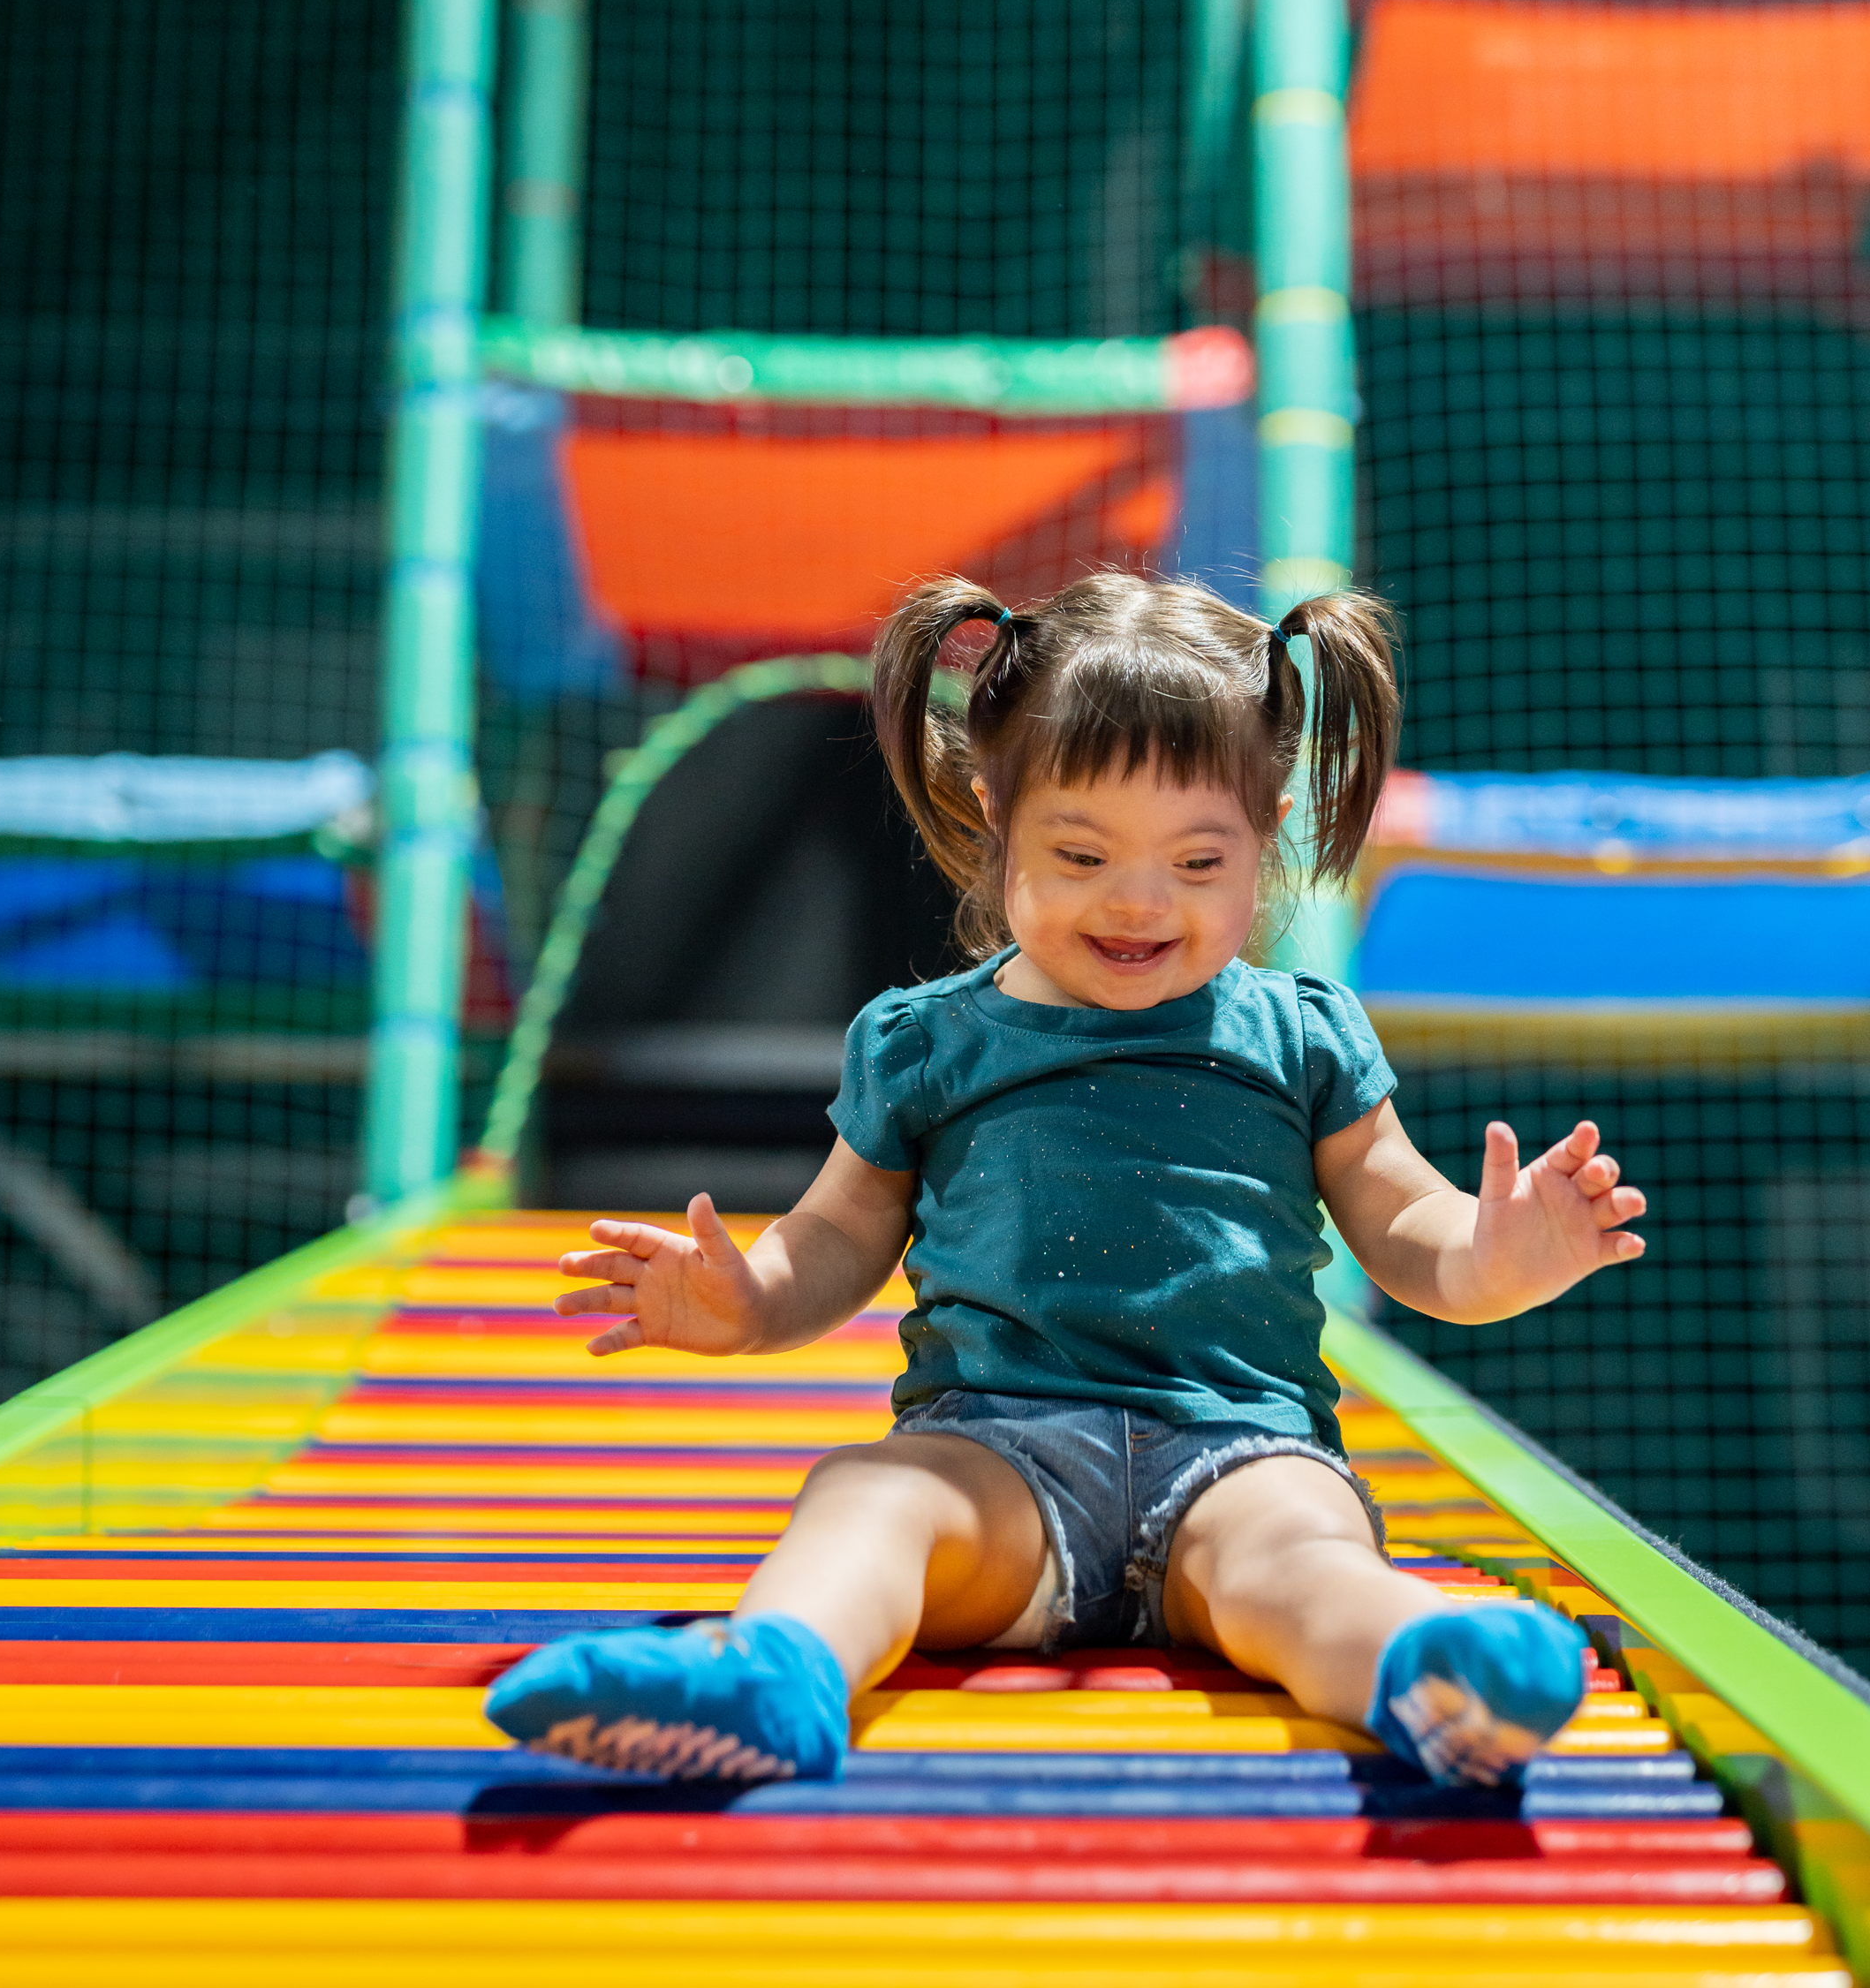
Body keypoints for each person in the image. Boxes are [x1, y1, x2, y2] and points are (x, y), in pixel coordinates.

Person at [488, 571, 1647, 1791]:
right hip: (998, 1458)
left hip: (1240, 1454)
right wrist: (752, 1299)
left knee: (1305, 1561)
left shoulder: (1298, 1032)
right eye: (1081, 851)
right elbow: (837, 1231)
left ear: (1269, 828)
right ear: (996, 811)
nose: (1139, 899)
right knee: (870, 1493)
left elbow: (1405, 1215)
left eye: (1199, 861)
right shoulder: (926, 1039)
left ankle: (1428, 1670)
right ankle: (775, 1672)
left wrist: (1493, 1256)